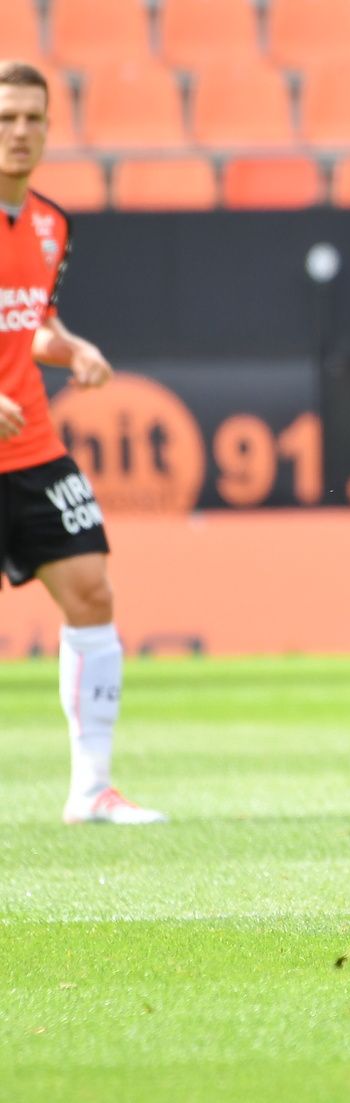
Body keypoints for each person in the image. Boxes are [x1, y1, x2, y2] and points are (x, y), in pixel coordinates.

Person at [0, 61, 164, 826]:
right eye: (6, 117)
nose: (20, 131)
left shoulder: (50, 222)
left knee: (93, 589)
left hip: (31, 444)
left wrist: (72, 348)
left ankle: (91, 787)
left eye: (32, 118)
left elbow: (31, 322)